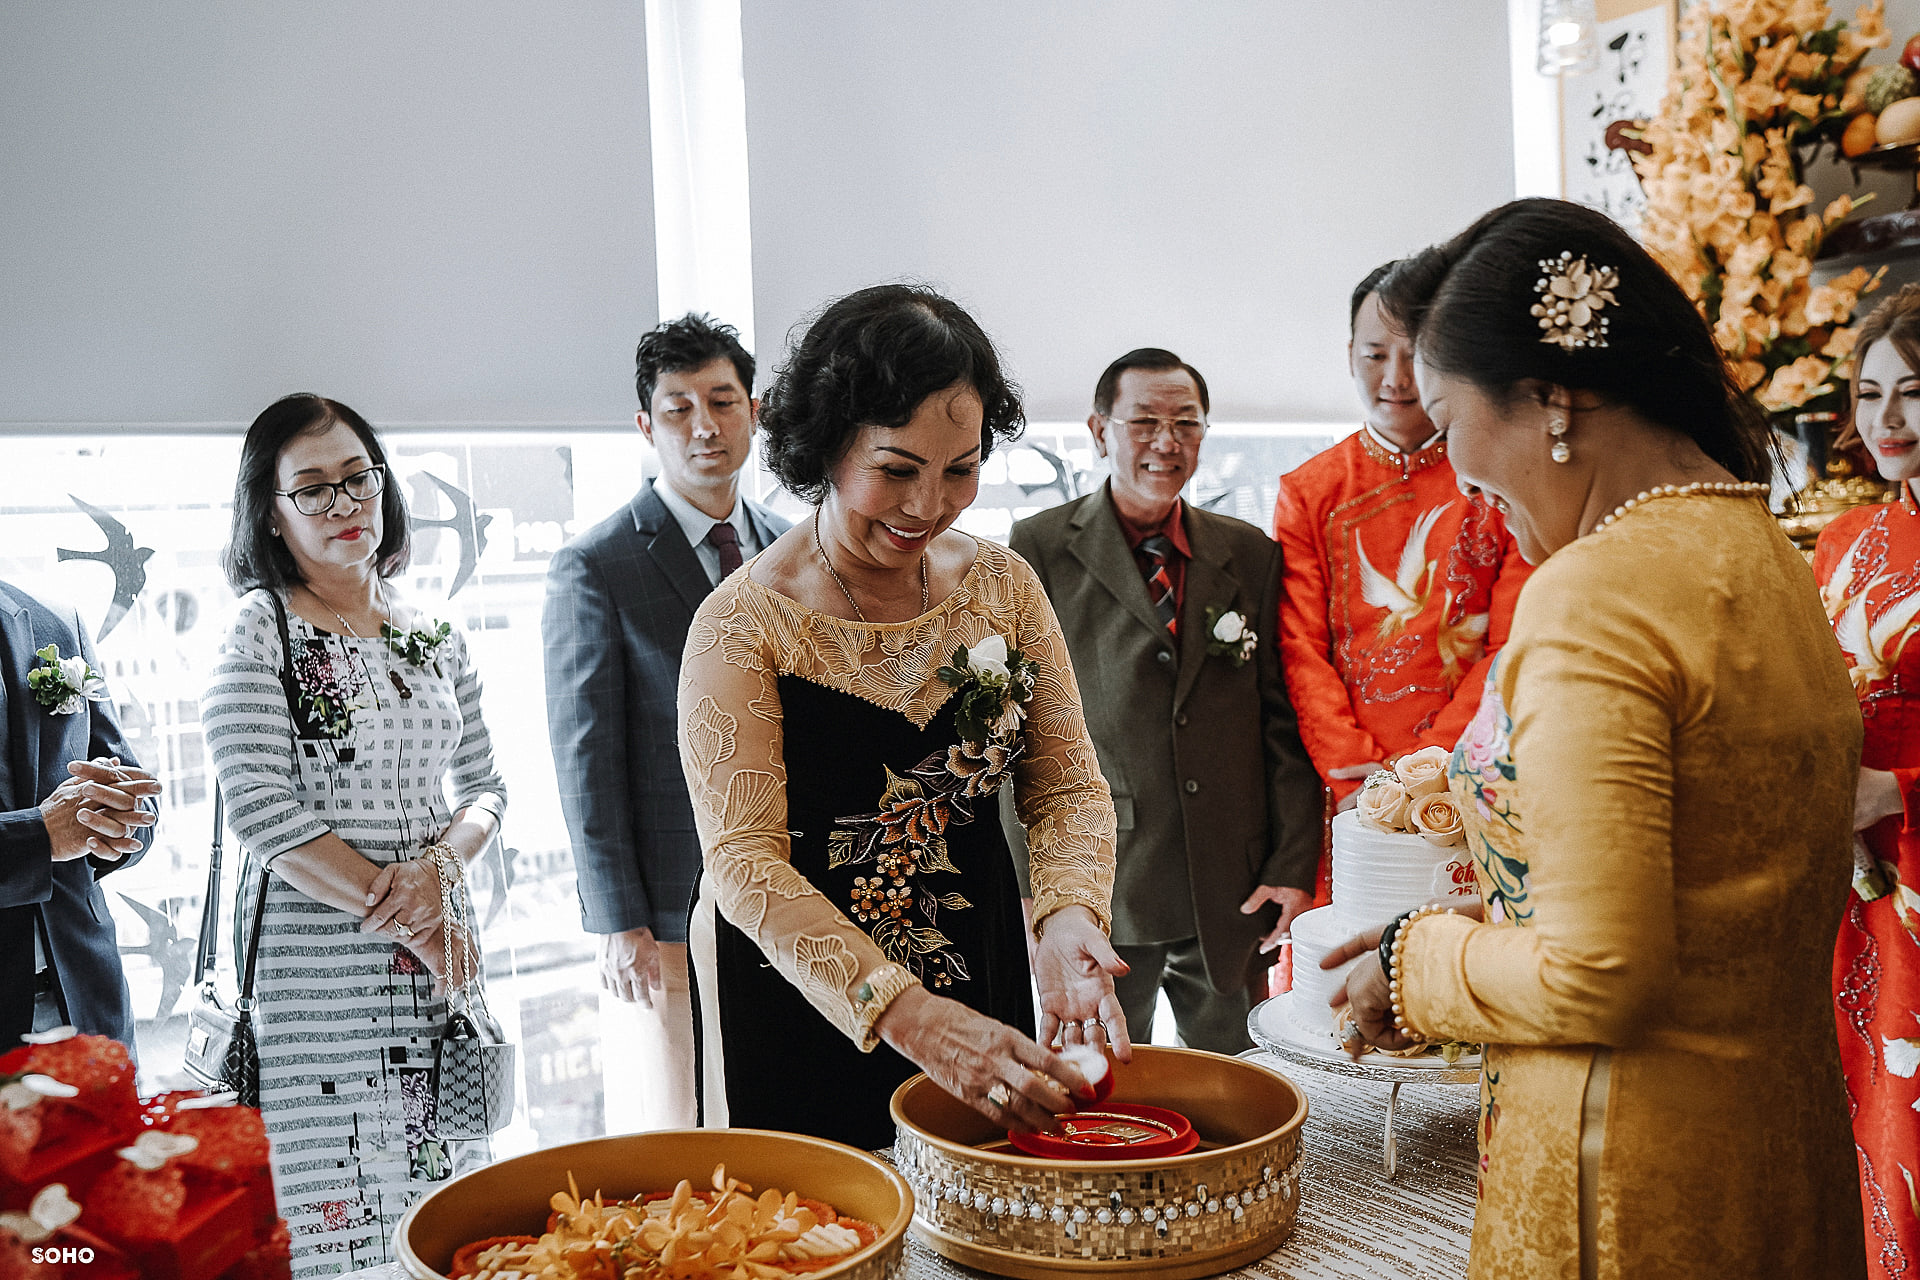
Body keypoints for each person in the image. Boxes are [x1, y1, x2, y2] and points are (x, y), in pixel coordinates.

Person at [1327, 198, 1864, 1276]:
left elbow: (1601, 974)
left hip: (1625, 1171)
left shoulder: (1595, 594)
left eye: (1445, 412)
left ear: (1551, 397)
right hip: (1778, 1150)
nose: (1450, 462)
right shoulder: (1765, 551)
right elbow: (1717, 866)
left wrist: (1409, 958)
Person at [678, 283, 1125, 1149]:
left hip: (976, 954)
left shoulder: (1002, 586)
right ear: (828, 448)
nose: (928, 506)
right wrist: (905, 1015)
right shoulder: (741, 623)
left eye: (959, 470)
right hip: (801, 986)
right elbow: (742, 864)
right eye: (896, 470)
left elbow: (1066, 786)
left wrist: (1069, 914)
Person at [203, 394, 506, 1276]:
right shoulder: (261, 627)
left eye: (357, 479)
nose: (344, 506)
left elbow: (487, 787)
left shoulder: (431, 628)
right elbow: (259, 808)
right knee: (330, 1228)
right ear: (271, 510)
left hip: (437, 969)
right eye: (313, 489)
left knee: (446, 1215)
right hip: (314, 987)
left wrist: (440, 871)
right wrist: (410, 907)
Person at [1003, 348, 1320, 1051]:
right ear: (1099, 430)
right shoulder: (1040, 546)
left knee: (1242, 1081)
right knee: (1103, 1078)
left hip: (1232, 885)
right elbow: (1016, 729)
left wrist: (1293, 865)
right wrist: (1033, 889)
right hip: (1104, 877)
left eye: (1186, 422)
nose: (1166, 441)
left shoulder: (1249, 553)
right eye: (1144, 421)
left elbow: (1282, 719)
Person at [543, 313, 788, 1134]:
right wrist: (617, 919)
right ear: (647, 426)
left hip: (792, 893)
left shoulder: (792, 552)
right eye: (678, 408)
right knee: (687, 1120)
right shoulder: (595, 565)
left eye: (722, 401)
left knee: (780, 1114)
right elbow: (587, 757)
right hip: (672, 905)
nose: (704, 425)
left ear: (753, 411)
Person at [1272, 264, 1531, 846]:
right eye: (1374, 355)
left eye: (1414, 356)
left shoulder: (1499, 478)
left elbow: (1511, 643)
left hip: (1477, 763)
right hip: (1348, 786)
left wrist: (1434, 763)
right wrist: (1357, 772)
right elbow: (1300, 648)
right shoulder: (1309, 490)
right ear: (1349, 355)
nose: (1395, 378)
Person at [1814, 282, 1920, 1277]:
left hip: (1914, 836)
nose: (1885, 419)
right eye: (1870, 392)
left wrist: (1903, 787)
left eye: (1912, 391)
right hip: (1854, 867)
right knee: (1871, 1095)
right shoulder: (1848, 536)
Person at [0, 581, 159, 1047]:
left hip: (88, 1002)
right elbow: (52, 829)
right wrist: (40, 835)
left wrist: (120, 815)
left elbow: (120, 773)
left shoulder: (56, 620)